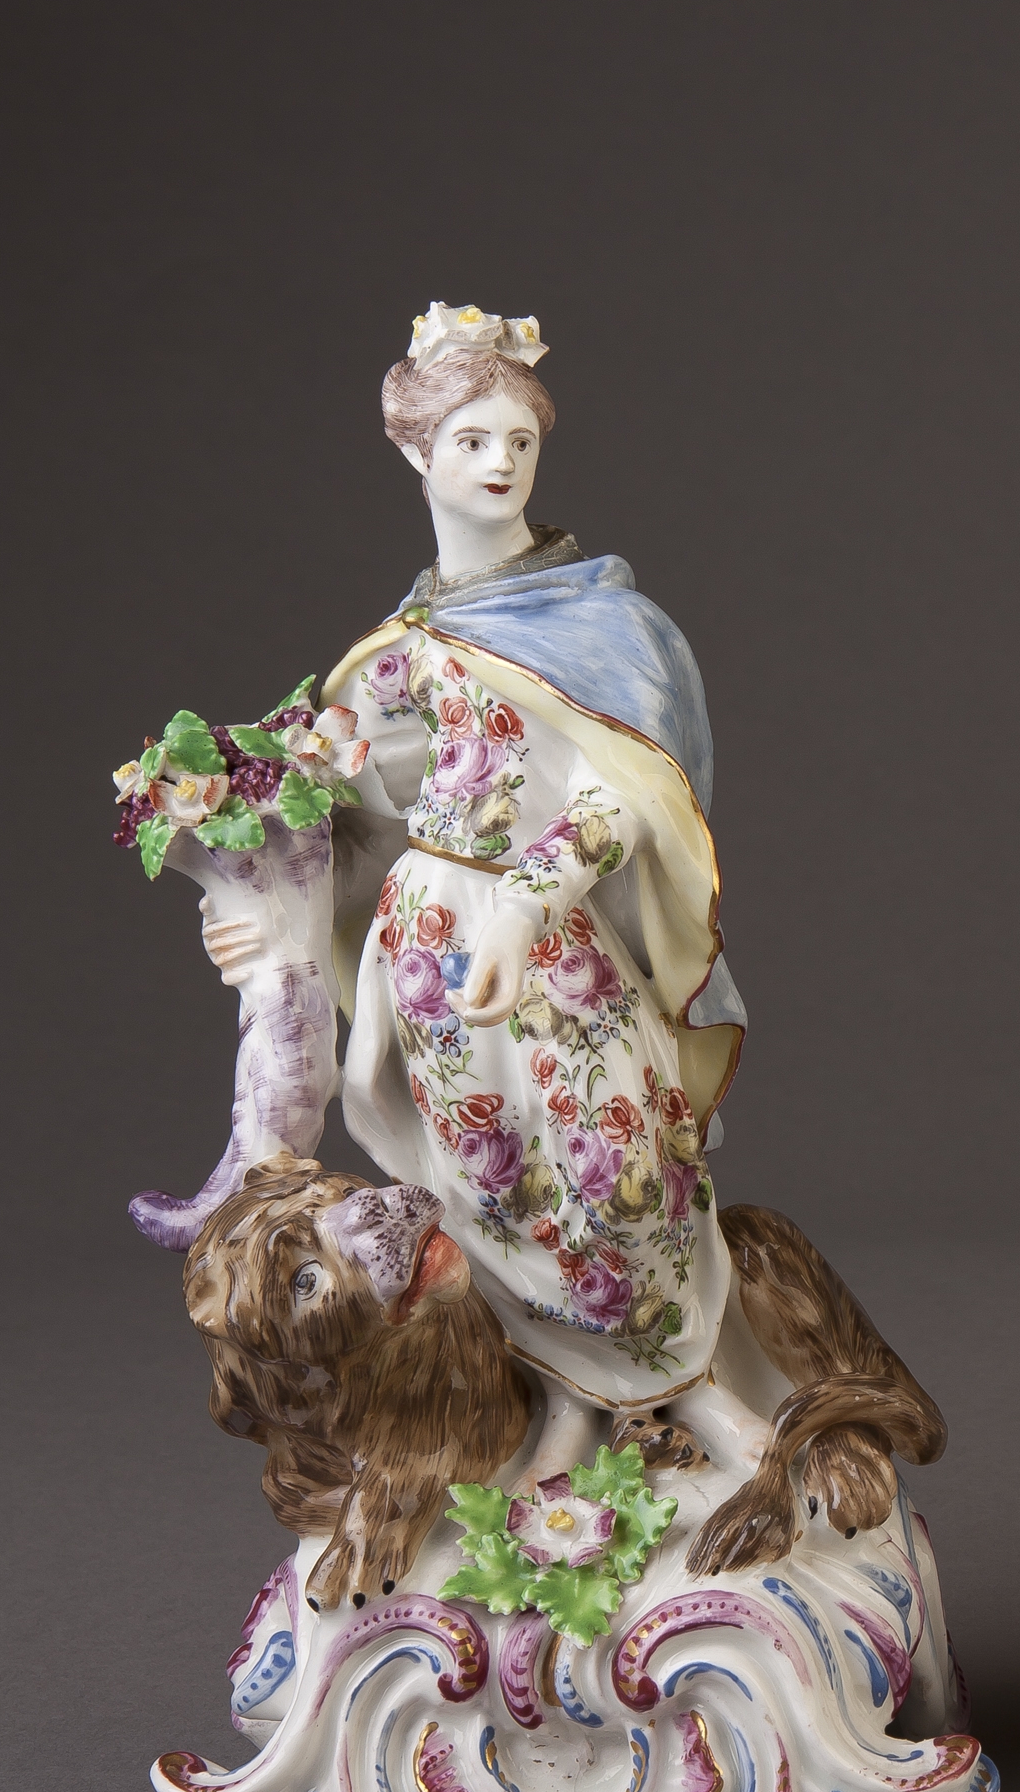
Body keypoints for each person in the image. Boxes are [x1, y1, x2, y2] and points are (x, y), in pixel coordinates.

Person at [203, 301, 747, 1438]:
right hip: (427, 947)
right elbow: (346, 818)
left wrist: (526, 906)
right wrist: (268, 918)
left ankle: (681, 1403)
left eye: (519, 441)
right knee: (482, 1178)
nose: (499, 462)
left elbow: (627, 796)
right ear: (415, 451)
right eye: (471, 440)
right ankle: (563, 1413)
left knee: (614, 1169)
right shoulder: (399, 652)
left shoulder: (603, 626)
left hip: (546, 946)